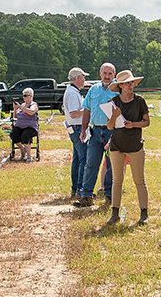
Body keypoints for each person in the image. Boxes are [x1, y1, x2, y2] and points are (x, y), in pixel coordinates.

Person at [105, 69, 151, 225]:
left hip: (135, 145)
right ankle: (114, 213)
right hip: (117, 145)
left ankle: (144, 213)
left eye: (131, 83)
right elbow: (110, 127)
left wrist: (133, 125)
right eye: (127, 83)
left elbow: (147, 122)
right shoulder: (113, 102)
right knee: (117, 180)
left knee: (139, 180)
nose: (130, 85)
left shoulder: (140, 101)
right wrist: (114, 116)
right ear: (120, 86)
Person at [76, 63, 118, 207]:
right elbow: (87, 110)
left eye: (110, 74)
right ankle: (86, 195)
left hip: (112, 132)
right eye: (105, 73)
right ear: (100, 73)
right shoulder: (93, 90)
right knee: (91, 163)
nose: (107, 76)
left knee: (111, 164)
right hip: (95, 132)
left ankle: (109, 195)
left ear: (114, 75)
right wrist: (83, 129)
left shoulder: (117, 90)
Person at [63, 68, 89, 199]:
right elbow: (74, 113)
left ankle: (76, 188)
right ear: (78, 78)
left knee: (78, 159)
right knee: (83, 159)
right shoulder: (73, 94)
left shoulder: (72, 91)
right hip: (77, 127)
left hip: (74, 128)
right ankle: (80, 189)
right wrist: (87, 110)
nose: (84, 80)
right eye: (83, 77)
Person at [9, 88, 39, 162]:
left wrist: (22, 107)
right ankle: (23, 150)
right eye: (23, 95)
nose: (24, 97)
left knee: (25, 135)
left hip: (30, 127)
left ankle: (29, 156)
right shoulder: (22, 105)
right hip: (19, 126)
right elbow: (15, 117)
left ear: (31, 96)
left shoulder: (33, 105)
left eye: (26, 95)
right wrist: (15, 109)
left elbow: (31, 112)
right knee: (13, 134)